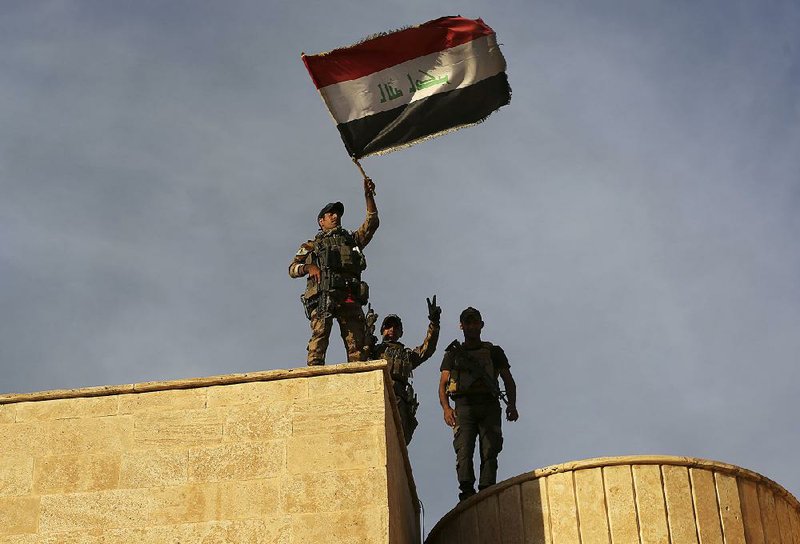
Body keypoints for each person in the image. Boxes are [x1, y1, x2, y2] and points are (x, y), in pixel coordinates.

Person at [289, 176, 378, 365]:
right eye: (331, 214)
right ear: (321, 221)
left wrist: (368, 196)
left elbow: (372, 223)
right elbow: (292, 269)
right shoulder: (312, 245)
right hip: (324, 294)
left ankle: (357, 377)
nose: (335, 216)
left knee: (356, 343)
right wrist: (308, 267)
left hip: (348, 294)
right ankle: (314, 374)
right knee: (319, 336)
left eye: (337, 214)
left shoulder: (351, 240)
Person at [438, 307, 519, 502]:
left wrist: (512, 405)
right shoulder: (453, 354)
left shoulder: (493, 351)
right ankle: (466, 494)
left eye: (475, 322)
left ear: (481, 325)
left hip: (489, 405)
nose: (471, 326)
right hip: (463, 407)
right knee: (464, 452)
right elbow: (442, 384)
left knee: (490, 450)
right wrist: (446, 409)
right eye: (468, 322)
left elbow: (508, 380)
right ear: (461, 326)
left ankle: (487, 491)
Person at [369, 296, 441, 444]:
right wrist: (366, 328)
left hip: (399, 399)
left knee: (398, 440)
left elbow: (427, 349)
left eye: (396, 327)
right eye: (388, 327)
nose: (392, 330)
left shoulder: (407, 355)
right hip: (378, 394)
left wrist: (434, 324)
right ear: (382, 330)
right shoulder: (374, 350)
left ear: (401, 332)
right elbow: (357, 352)